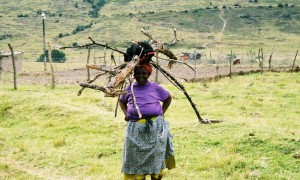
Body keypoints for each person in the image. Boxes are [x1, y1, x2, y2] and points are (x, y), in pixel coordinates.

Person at [119, 63, 175, 180]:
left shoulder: (155, 87)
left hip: (155, 129)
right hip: (135, 130)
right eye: (138, 73)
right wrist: (125, 113)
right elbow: (121, 101)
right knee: (135, 159)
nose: (141, 76)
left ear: (149, 74)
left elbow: (168, 98)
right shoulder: (130, 88)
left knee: (156, 158)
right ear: (134, 75)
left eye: (144, 73)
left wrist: (162, 112)